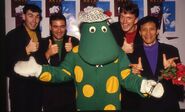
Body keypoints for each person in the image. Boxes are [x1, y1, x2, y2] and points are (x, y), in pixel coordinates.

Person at [14, 6, 164, 111]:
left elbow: (127, 78)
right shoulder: (75, 53)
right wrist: (38, 70)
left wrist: (144, 86)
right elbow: (61, 73)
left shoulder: (118, 53)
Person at [130, 16, 184, 112]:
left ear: (157, 31)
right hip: (143, 105)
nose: (148, 33)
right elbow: (128, 82)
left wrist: (173, 70)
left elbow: (180, 80)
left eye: (152, 29)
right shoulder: (133, 53)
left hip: (168, 104)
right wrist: (133, 74)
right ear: (140, 32)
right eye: (144, 30)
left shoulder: (171, 50)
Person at [5, 4, 43, 112]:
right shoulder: (12, 35)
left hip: (36, 90)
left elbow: (37, 62)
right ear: (23, 16)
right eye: (31, 15)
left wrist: (47, 54)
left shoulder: (37, 34)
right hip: (20, 92)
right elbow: (7, 66)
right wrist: (26, 50)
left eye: (37, 16)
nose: (34, 20)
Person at [41, 13, 79, 112]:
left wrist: (73, 52)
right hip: (50, 96)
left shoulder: (74, 41)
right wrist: (48, 54)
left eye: (62, 26)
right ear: (50, 27)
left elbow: (81, 67)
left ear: (66, 27)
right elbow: (37, 68)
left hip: (69, 95)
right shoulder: (43, 43)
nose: (59, 30)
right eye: (55, 27)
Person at [110, 1, 142, 111]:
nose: (124, 21)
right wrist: (121, 50)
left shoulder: (144, 32)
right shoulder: (113, 29)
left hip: (137, 83)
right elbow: (104, 54)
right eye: (122, 17)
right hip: (117, 83)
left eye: (129, 18)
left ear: (136, 20)